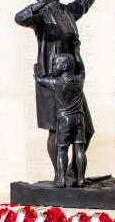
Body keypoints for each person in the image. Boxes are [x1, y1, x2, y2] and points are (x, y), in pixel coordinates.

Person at [14, 0, 112, 184]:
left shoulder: (67, 12)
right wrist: (39, 4)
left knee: (85, 130)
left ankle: (70, 173)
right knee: (54, 129)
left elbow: (86, 0)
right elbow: (19, 18)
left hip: (72, 80)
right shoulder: (40, 17)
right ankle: (59, 175)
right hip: (50, 79)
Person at [34, 54, 87, 188]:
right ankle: (81, 179)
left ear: (64, 66)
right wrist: (77, 52)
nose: (54, 67)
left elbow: (39, 79)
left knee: (62, 150)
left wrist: (36, 68)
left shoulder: (57, 82)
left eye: (56, 64)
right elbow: (82, 69)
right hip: (79, 118)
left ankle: (61, 179)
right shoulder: (79, 80)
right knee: (79, 148)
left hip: (65, 120)